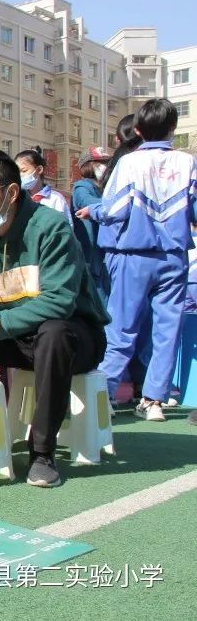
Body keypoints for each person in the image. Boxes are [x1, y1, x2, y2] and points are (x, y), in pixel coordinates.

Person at [0, 150, 108, 487]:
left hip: (74, 339)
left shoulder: (50, 227)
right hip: (14, 337)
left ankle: (42, 452)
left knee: (55, 332)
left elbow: (59, 301)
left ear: (12, 193)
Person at [76, 98, 197, 422]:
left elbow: (116, 209)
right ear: (173, 128)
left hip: (132, 255)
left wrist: (94, 211)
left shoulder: (129, 163)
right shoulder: (187, 162)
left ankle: (105, 396)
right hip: (173, 257)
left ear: (138, 130)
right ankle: (153, 400)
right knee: (166, 331)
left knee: (121, 328)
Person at [70, 147, 112, 302]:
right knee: (98, 295)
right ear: (87, 165)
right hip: (90, 253)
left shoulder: (105, 189)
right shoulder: (82, 186)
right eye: (100, 163)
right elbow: (86, 202)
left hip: (103, 252)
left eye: (107, 162)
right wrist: (116, 204)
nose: (105, 166)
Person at [14, 147, 72, 223]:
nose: (20, 175)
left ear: (39, 169)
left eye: (24, 171)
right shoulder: (16, 198)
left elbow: (66, 226)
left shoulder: (55, 199)